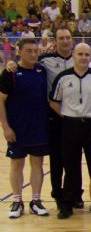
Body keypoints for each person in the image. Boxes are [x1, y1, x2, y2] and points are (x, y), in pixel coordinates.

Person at [49, 43, 91, 219]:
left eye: (87, 54)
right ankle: (68, 203)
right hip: (69, 125)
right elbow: (54, 102)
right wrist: (68, 115)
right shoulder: (63, 77)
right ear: (73, 55)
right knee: (70, 166)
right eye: (80, 54)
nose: (84, 57)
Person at [0, 38, 49, 218]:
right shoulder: (10, 73)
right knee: (16, 164)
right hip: (17, 128)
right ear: (19, 52)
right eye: (29, 51)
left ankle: (36, 200)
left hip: (38, 126)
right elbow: (1, 101)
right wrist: (5, 127)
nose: (33, 54)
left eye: (36, 51)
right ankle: (16, 200)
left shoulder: (42, 71)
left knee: (37, 164)